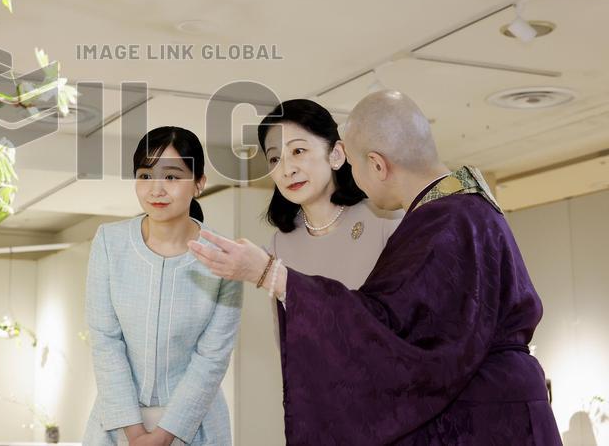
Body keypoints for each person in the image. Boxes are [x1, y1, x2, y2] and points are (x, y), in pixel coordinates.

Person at [189, 91, 560, 444]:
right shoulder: (462, 213)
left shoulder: (443, 224)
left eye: (352, 164)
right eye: (275, 159)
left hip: (486, 418)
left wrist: (272, 275)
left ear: (377, 165)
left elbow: (386, 331)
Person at [83, 126, 242, 446]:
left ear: (199, 184)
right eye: (144, 176)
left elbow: (212, 358)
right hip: (117, 427)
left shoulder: (225, 258)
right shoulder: (109, 243)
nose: (156, 189)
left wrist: (164, 436)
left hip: (196, 428)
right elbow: (105, 341)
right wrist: (134, 432)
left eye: (171, 177)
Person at [257, 99, 400, 293]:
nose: (287, 169)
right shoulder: (280, 244)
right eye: (274, 158)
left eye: (298, 151)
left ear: (336, 155)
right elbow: (285, 321)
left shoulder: (385, 219)